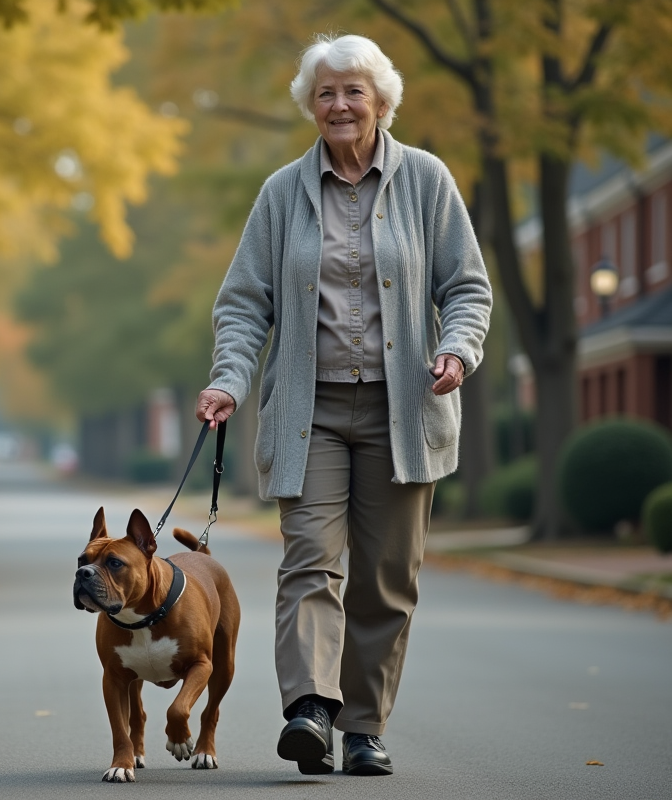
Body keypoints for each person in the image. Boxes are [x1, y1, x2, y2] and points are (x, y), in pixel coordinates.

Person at [196, 33, 492, 777]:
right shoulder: (280, 194)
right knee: (309, 565)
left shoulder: (425, 180)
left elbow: (466, 287)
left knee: (387, 580)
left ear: (381, 100)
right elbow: (243, 305)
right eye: (325, 92)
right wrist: (230, 380)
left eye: (352, 90)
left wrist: (456, 350)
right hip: (310, 413)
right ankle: (310, 710)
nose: (339, 104)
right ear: (310, 106)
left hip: (405, 411)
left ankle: (363, 727)